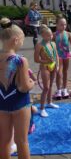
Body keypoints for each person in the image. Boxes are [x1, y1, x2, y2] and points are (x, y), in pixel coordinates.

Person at [0, 17, 35, 159]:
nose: (21, 43)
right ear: (15, 40)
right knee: (22, 141)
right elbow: (24, 87)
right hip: (20, 104)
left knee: (4, 141)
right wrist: (32, 82)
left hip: (2, 104)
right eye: (22, 40)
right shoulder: (20, 60)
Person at [34, 25, 60, 117]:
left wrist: (57, 65)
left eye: (51, 35)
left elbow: (56, 55)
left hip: (53, 65)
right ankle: (41, 108)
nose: (51, 37)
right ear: (43, 36)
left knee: (51, 85)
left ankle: (49, 102)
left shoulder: (53, 43)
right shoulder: (39, 45)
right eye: (48, 35)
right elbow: (36, 59)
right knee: (46, 87)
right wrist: (46, 61)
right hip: (45, 67)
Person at [53, 16, 71, 99]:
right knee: (59, 72)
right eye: (61, 25)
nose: (63, 26)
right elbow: (50, 46)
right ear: (56, 25)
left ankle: (64, 89)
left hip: (66, 55)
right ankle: (59, 90)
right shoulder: (53, 35)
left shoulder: (68, 34)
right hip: (58, 56)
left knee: (65, 72)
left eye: (65, 24)